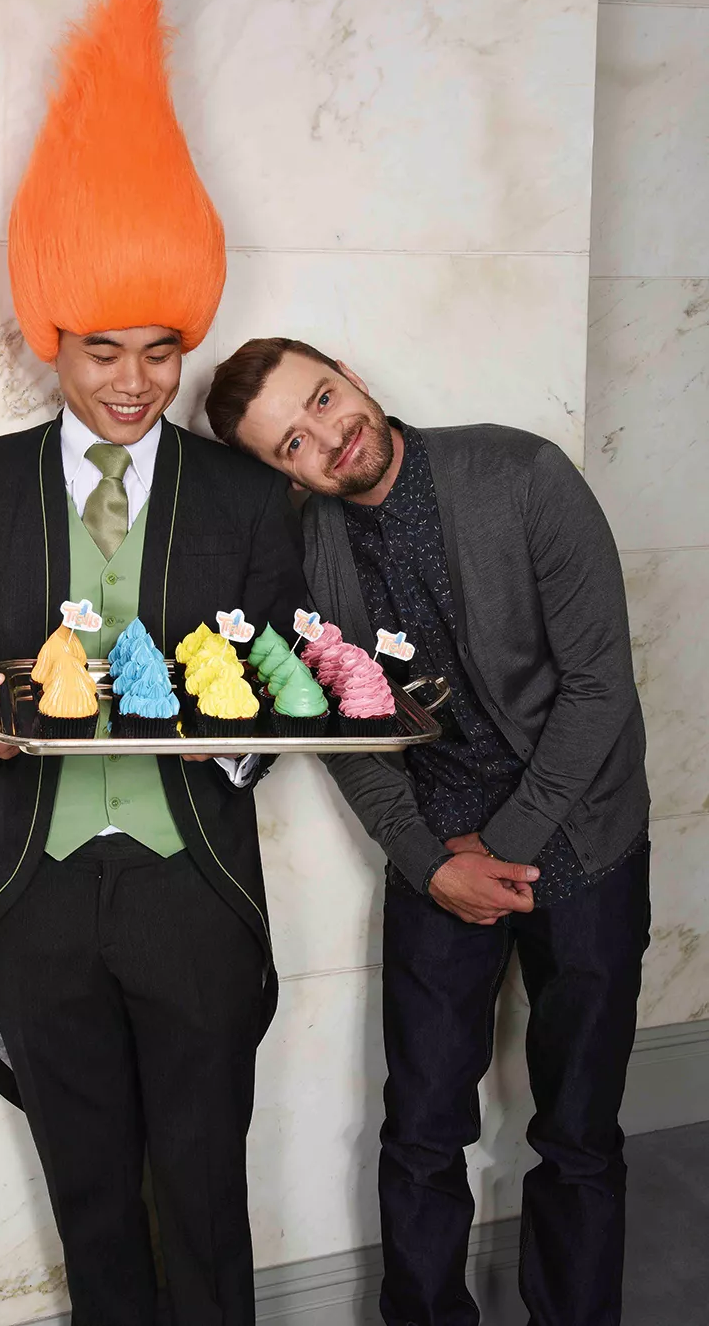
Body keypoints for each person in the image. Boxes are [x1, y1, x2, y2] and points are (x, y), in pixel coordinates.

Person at [0, 0, 304, 1326]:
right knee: (89, 1189)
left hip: (194, 873)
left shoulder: (245, 494)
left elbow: (277, 682)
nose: (135, 382)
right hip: (38, 881)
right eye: (101, 351)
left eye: (161, 349)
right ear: (49, 337)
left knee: (202, 1185)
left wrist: (238, 738)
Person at [203, 337, 651, 1326]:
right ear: (282, 473)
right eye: (292, 443)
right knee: (419, 1132)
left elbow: (598, 688)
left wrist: (506, 841)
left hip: (586, 841)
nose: (327, 436)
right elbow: (343, 729)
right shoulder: (302, 555)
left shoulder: (524, 475)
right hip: (436, 859)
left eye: (323, 399)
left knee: (578, 1133)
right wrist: (425, 858)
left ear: (353, 376)